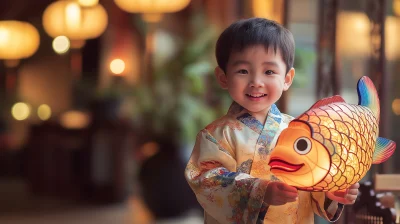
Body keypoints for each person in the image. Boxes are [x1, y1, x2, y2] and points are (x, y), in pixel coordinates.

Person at [184, 17, 359, 223]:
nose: (256, 82)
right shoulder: (215, 136)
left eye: (269, 71)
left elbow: (313, 177)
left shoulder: (301, 132)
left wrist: (330, 191)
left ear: (287, 79)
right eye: (243, 71)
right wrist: (260, 191)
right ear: (223, 77)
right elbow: (206, 180)